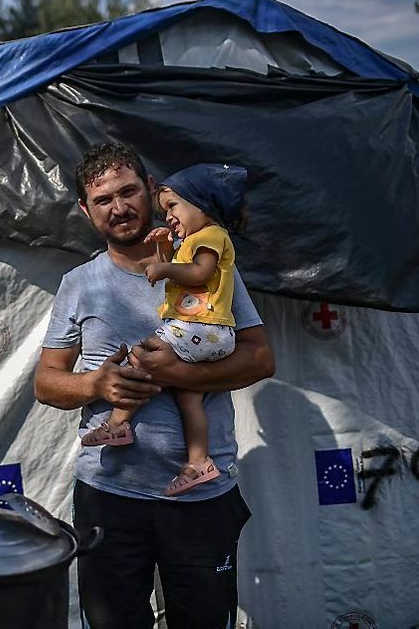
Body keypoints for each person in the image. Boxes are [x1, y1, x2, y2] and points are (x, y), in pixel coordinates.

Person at [34, 143, 275, 628]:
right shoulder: (79, 284)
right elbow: (46, 382)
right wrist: (98, 384)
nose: (119, 208)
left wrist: (177, 374)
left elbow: (261, 357)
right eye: (103, 200)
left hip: (201, 498)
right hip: (109, 495)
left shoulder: (207, 266)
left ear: (150, 191)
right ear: (86, 210)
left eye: (128, 192)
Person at [80, 163, 249, 498]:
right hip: (202, 331)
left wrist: (162, 265)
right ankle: (199, 461)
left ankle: (117, 424)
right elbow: (182, 272)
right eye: (102, 200)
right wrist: (164, 250)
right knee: (188, 397)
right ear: (85, 209)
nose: (168, 216)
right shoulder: (194, 239)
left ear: (202, 205)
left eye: (173, 207)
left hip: (204, 327)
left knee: (144, 355)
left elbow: (198, 273)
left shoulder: (212, 236)